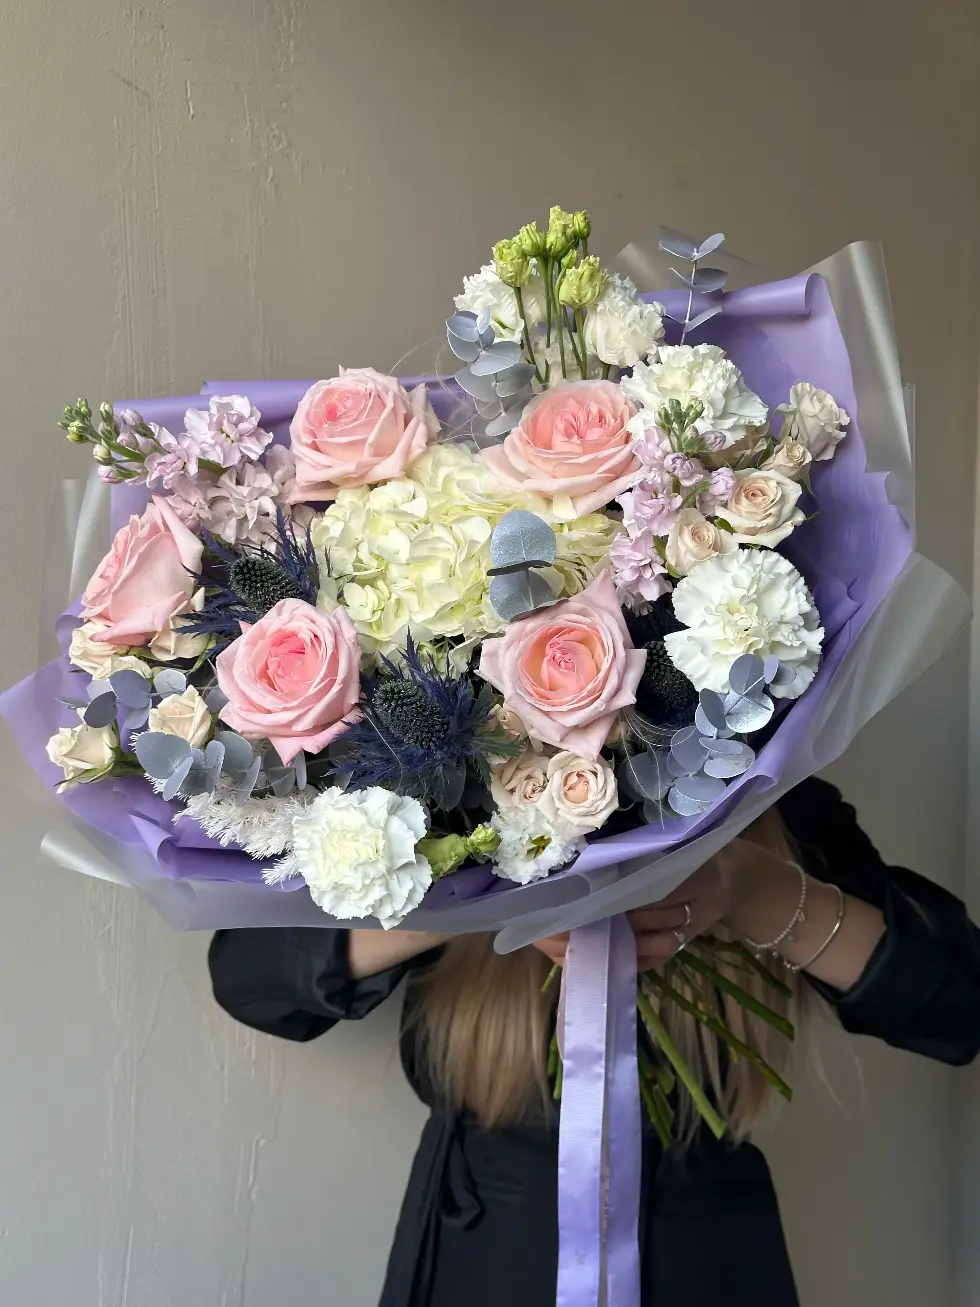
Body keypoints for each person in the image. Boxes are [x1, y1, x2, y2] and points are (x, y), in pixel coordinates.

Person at [208, 777, 980, 1307]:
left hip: (705, 1253)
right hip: (480, 1247)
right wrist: (479, 887)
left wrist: (749, 887)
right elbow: (252, 975)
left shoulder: (765, 789)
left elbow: (957, 1004)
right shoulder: (439, 793)